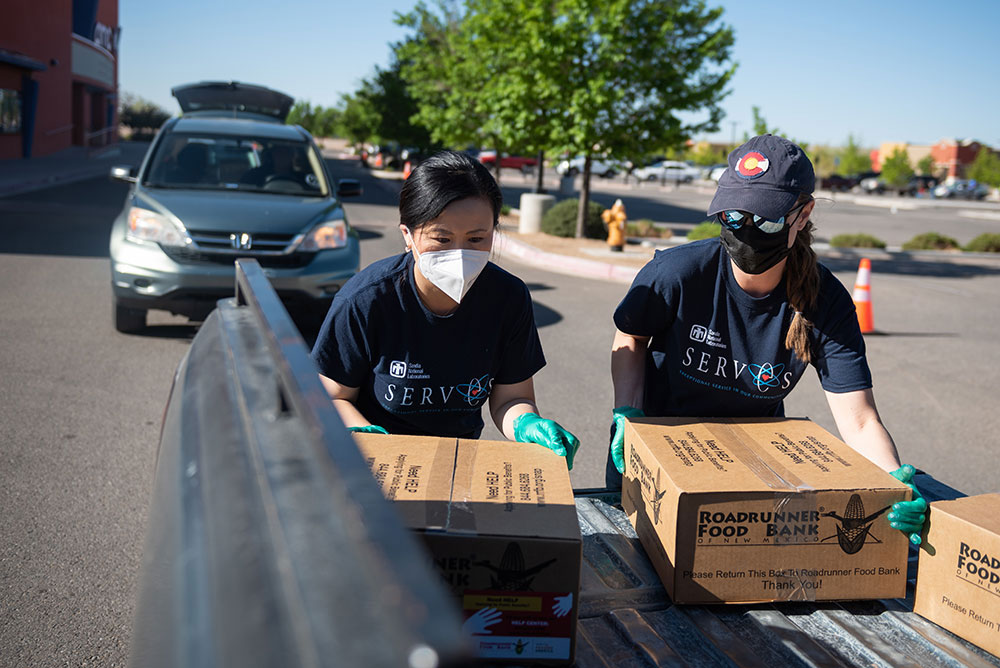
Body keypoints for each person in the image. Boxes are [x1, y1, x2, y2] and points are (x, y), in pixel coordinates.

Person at [607, 134, 927, 544]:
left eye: (767, 219)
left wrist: (892, 485)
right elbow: (630, 337)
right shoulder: (678, 274)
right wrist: (627, 415)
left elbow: (861, 420)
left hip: (751, 467)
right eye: (733, 216)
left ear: (803, 213)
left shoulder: (824, 302)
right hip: (658, 452)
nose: (746, 230)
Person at [311, 150, 579, 467]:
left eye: (477, 238)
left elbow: (511, 397)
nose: (460, 254)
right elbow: (333, 395)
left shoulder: (508, 298)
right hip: (376, 464)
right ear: (407, 236)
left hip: (458, 462)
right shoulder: (366, 301)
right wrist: (365, 437)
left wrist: (527, 425)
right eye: (442, 238)